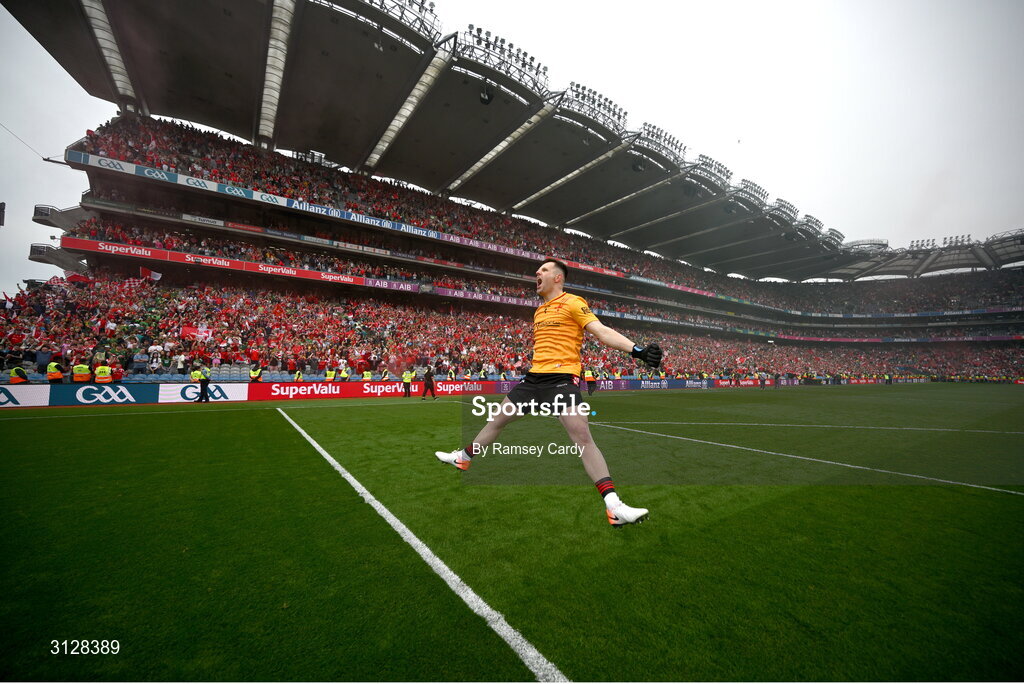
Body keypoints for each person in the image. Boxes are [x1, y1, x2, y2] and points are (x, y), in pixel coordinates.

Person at [435, 259, 662, 527]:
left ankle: (614, 506)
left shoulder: (574, 302)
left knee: (582, 437)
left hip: (561, 379)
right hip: (533, 380)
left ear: (558, 278)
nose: (537, 273)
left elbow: (600, 331)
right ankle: (463, 458)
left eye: (543, 270)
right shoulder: (539, 311)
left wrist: (636, 350)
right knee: (496, 420)